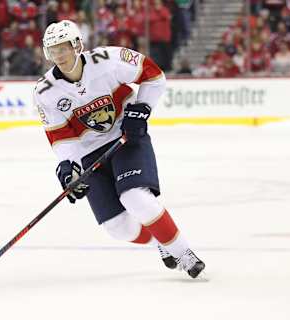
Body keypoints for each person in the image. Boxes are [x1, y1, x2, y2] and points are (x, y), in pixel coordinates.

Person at [33, 20, 205, 278]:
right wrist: (68, 167)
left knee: (134, 197)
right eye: (53, 50)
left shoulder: (108, 60)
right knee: (118, 228)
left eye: (64, 48)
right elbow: (60, 135)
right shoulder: (45, 92)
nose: (59, 55)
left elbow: (153, 75)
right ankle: (162, 240)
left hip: (125, 137)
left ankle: (184, 255)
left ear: (77, 45)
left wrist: (142, 108)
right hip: (91, 154)